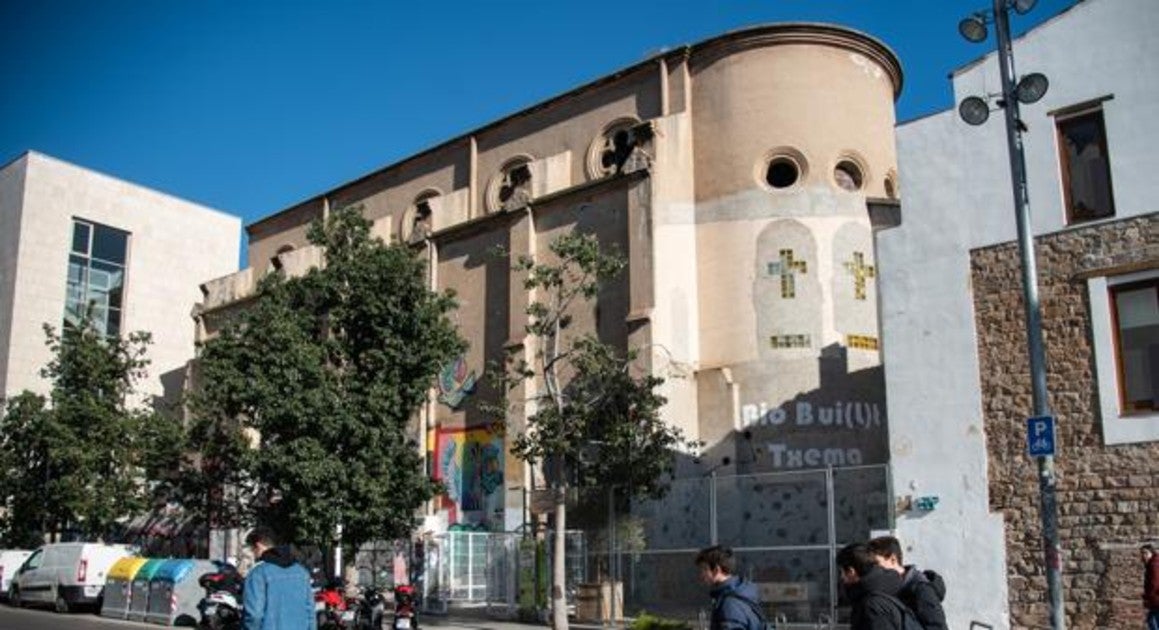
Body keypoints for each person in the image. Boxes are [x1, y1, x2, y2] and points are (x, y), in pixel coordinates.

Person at [243, 526, 317, 630]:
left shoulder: (258, 573)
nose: (254, 554)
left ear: (258, 546)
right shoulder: (301, 572)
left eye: (252, 550)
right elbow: (310, 612)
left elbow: (254, 614)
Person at [868, 536, 947, 629]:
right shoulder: (889, 588)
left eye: (876, 564)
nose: (873, 570)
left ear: (893, 559)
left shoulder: (921, 589)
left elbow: (937, 626)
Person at [836, 543, 920, 630]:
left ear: (851, 571)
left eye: (842, 572)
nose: (842, 577)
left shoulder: (872, 605)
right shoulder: (889, 588)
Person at [695, 545, 766, 630]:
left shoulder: (729, 604)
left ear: (716, 570)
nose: (701, 575)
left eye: (704, 569)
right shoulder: (742, 593)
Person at [1143, 544, 1159, 630]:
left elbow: (1155, 583)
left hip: (1156, 600)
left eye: (1146, 553)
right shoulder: (1153, 564)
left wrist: (1149, 598)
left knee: (1151, 620)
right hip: (1155, 600)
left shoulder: (1153, 565)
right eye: (1142, 553)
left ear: (1152, 553)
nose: (1143, 556)